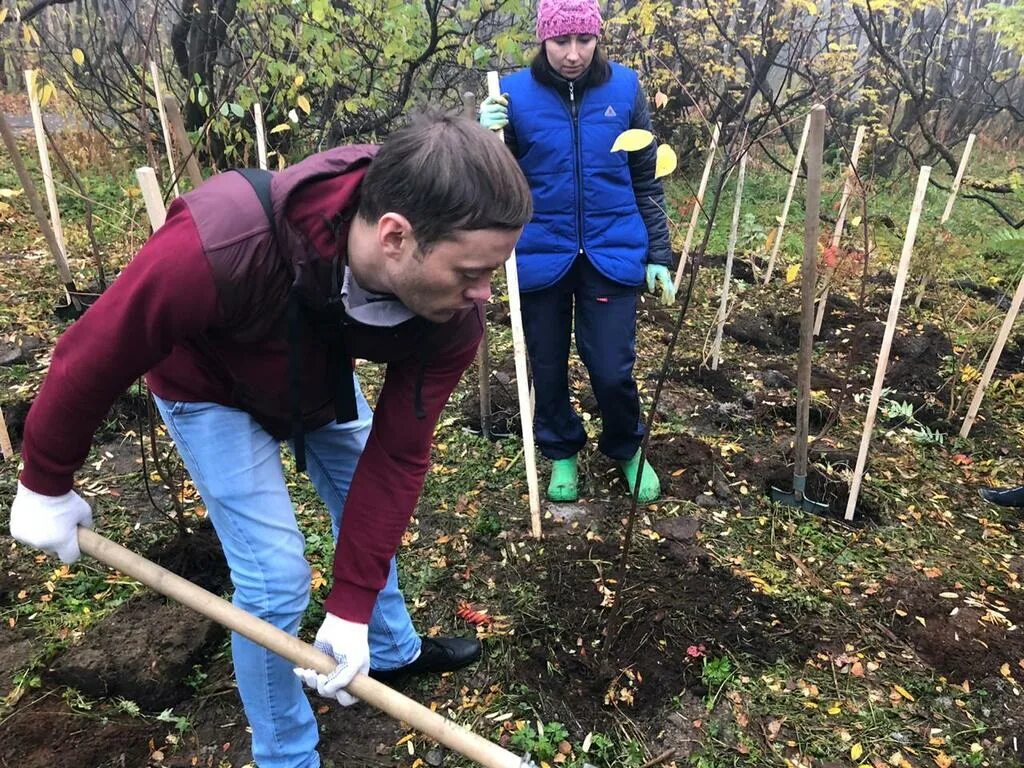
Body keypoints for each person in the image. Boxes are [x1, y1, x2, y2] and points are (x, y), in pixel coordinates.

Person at [8, 113, 533, 768]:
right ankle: (285, 754)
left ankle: (387, 648)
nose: (484, 294)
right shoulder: (222, 241)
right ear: (396, 236)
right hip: (207, 391)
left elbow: (397, 455)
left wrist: (347, 608)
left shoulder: (452, 314)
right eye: (471, 272)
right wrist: (45, 482)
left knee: (365, 507)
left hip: (314, 381)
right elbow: (94, 353)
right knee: (276, 579)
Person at [479, 0, 676, 505]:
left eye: (583, 40)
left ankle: (626, 447)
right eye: (561, 41)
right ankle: (562, 451)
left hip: (612, 250)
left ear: (597, 37)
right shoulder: (513, 95)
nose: (572, 54)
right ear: (543, 39)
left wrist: (658, 253)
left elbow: (645, 180)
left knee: (611, 366)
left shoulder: (625, 89)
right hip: (540, 252)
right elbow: (494, 182)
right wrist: (484, 138)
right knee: (546, 365)